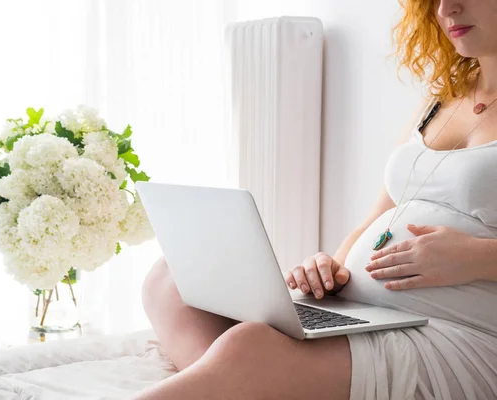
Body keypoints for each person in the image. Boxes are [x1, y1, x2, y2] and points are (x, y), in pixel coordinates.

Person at [134, 0, 497, 398]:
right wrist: (331, 265)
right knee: (170, 279)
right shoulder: (441, 97)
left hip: (457, 332)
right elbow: (381, 216)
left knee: (249, 346)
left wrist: (476, 256)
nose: (447, 8)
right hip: (360, 311)